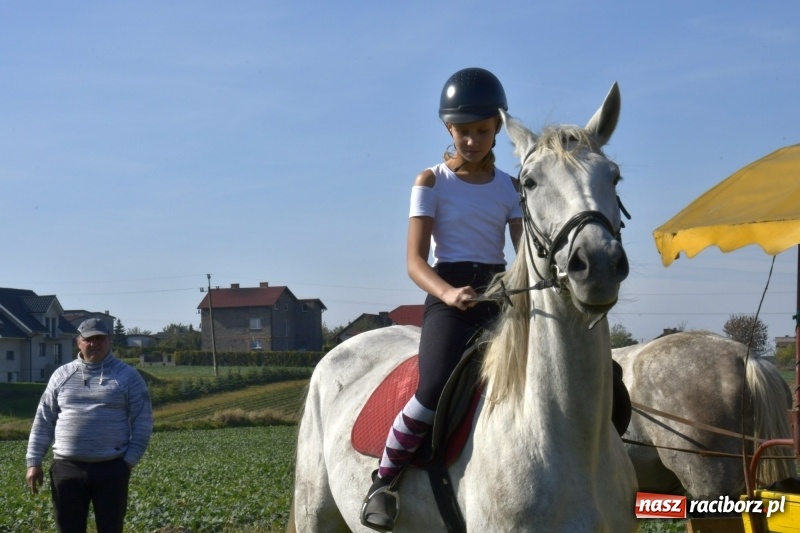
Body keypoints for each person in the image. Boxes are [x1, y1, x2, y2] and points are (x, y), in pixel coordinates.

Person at [360, 67, 523, 532]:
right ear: (447, 129)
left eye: (482, 131)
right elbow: (414, 262)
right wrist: (448, 293)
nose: (472, 140)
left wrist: (515, 286)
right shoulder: (431, 182)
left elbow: (522, 253)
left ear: (497, 129)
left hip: (498, 294)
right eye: (462, 132)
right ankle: (384, 482)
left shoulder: (511, 188)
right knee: (432, 387)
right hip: (448, 291)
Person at [26, 318, 154, 533]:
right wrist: (33, 461)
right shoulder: (61, 375)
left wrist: (127, 463)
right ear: (79, 342)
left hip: (112, 468)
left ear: (109, 341)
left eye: (100, 339)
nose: (95, 344)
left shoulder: (128, 376)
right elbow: (43, 419)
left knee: (110, 528)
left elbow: (143, 421)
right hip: (66, 469)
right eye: (89, 339)